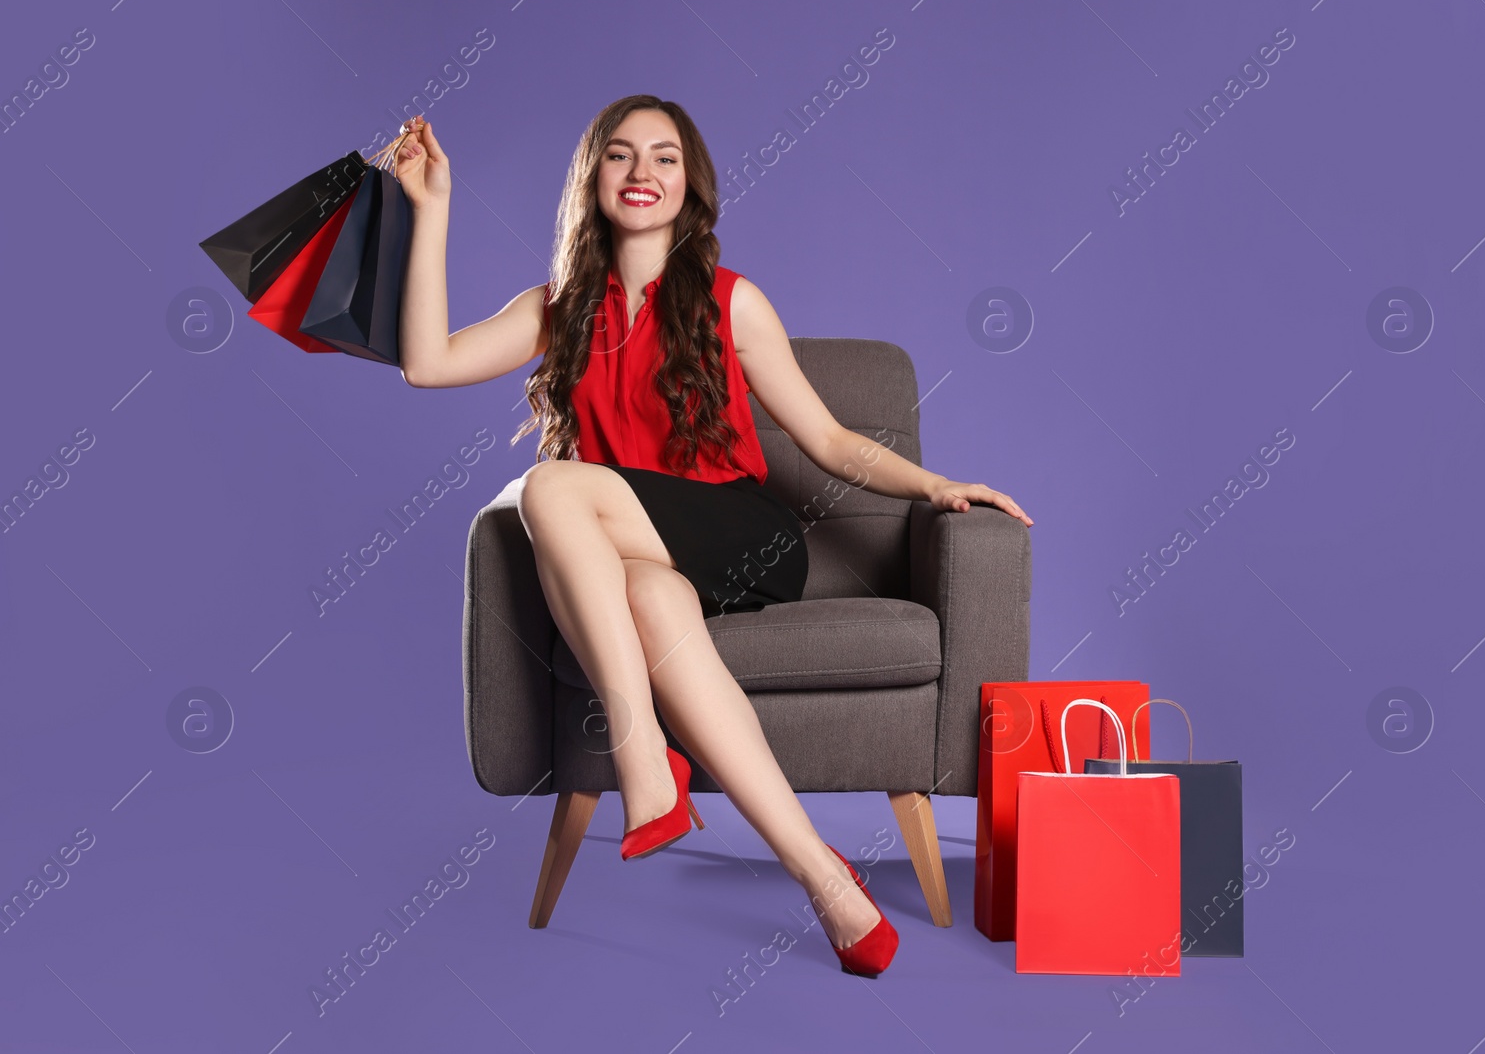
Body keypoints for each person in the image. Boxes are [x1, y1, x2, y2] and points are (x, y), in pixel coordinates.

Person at [391, 95, 1033, 977]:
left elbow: (832, 441)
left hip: (745, 538)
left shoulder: (733, 304)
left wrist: (935, 483)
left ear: (688, 184)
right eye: (620, 156)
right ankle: (829, 880)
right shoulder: (556, 310)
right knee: (649, 596)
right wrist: (431, 209)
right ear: (592, 181)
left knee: (548, 486)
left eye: (663, 157)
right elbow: (427, 363)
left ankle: (641, 752)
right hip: (644, 557)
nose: (642, 173)